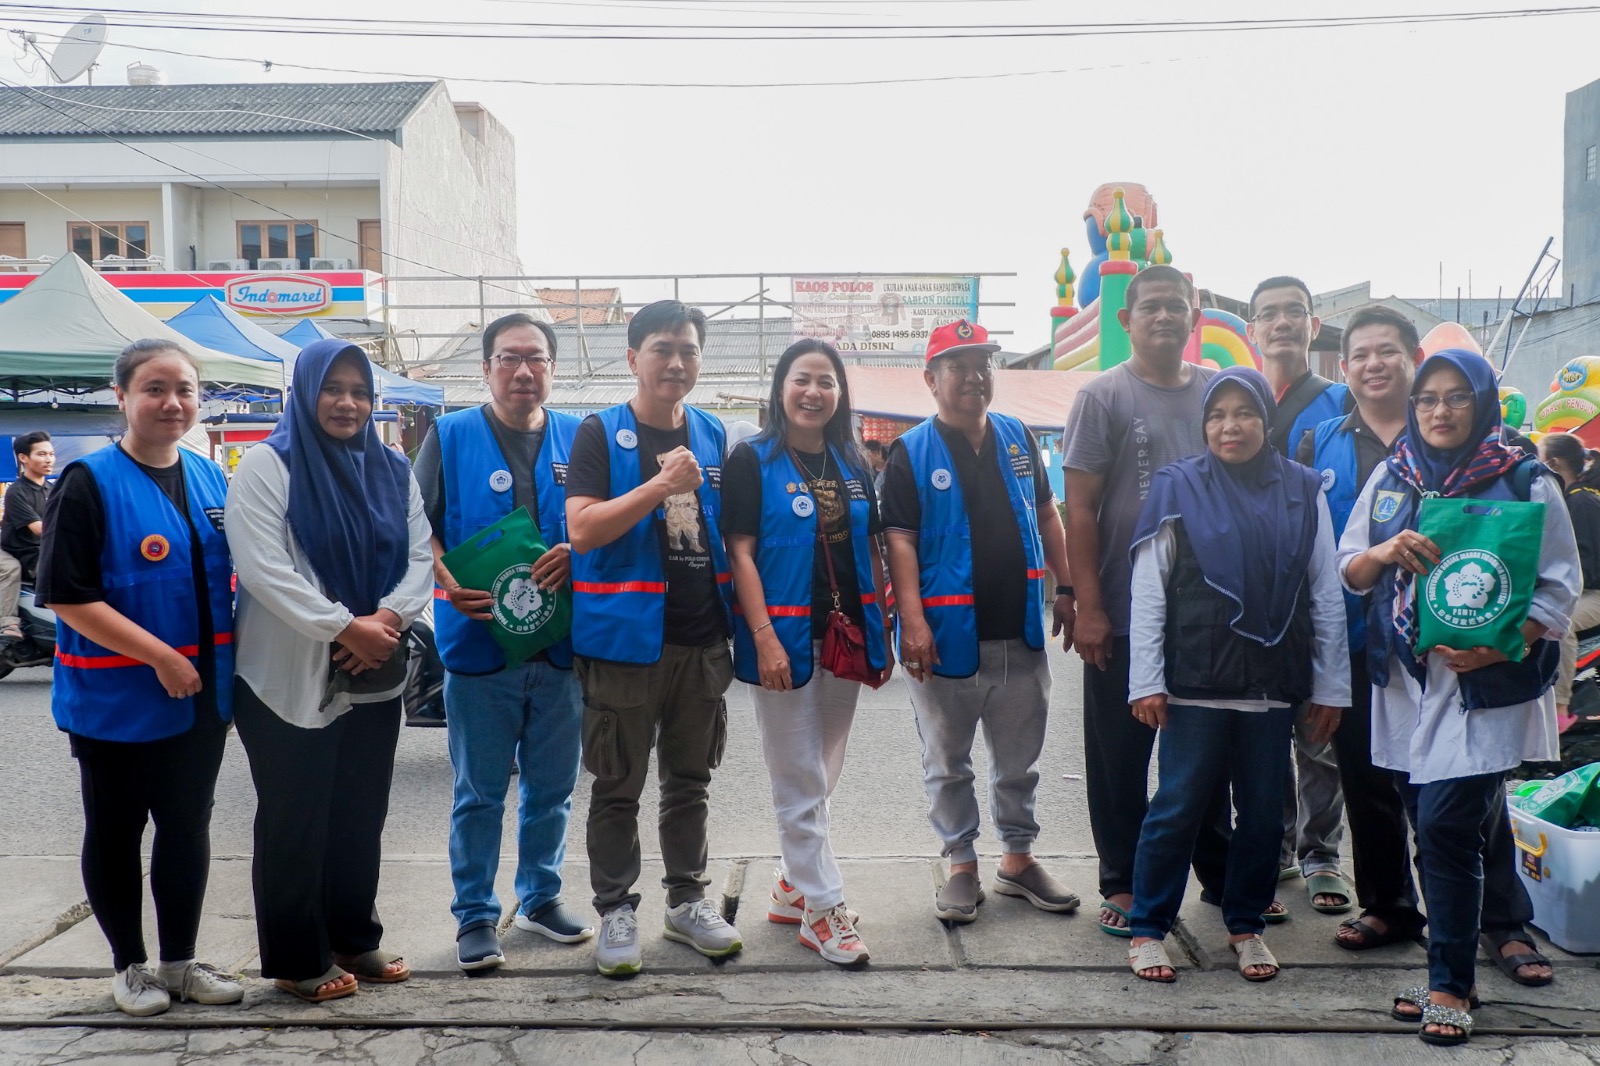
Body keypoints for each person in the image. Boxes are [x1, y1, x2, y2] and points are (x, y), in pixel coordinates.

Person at [1338, 349, 1578, 1046]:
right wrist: (1385, 554)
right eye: (1427, 400)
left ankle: (1451, 983)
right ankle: (1459, 955)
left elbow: (1560, 586)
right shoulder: (1392, 476)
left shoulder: (1527, 478)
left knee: (1444, 827)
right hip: (1409, 685)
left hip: (1486, 689)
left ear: (1483, 403)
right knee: (1436, 829)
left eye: (1455, 398)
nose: (1439, 412)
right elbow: (1349, 569)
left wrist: (1505, 643)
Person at [1063, 265, 1270, 936]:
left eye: (1175, 306)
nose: (1162, 317)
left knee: (1205, 760)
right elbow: (1082, 510)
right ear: (1125, 319)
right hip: (1124, 613)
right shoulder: (1102, 397)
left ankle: (1217, 873)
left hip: (1209, 621)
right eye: (1149, 307)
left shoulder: (1220, 392)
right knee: (1120, 757)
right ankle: (1122, 881)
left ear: (1194, 316)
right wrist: (1089, 604)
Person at [38, 339, 242, 1017]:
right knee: (118, 831)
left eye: (185, 389)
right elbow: (67, 594)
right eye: (154, 389)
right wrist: (158, 655)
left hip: (201, 700)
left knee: (187, 830)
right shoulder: (87, 482)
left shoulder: (212, 478)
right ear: (121, 397)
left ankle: (180, 962)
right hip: (116, 699)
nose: (172, 403)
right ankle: (129, 966)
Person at [1124, 367, 1348, 984]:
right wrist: (1146, 679)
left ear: (1265, 420)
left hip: (1272, 684)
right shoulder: (1177, 486)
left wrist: (1330, 688)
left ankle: (1245, 924)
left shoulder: (1303, 489)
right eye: (1217, 415)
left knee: (1262, 814)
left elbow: (1324, 590)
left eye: (1244, 413)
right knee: (1177, 806)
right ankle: (1148, 927)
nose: (1230, 426)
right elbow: (1149, 590)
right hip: (1194, 681)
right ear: (1203, 424)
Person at [226, 340, 433, 1002]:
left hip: (372, 670)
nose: (348, 403)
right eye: (333, 388)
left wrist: (388, 622)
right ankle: (296, 956)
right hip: (286, 676)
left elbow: (422, 555)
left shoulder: (391, 466)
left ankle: (353, 934)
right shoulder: (267, 464)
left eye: (360, 391)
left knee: (358, 814)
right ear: (305, 392)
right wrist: (346, 626)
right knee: (296, 817)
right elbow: (264, 569)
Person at [565, 300, 742, 976]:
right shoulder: (600, 434)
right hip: (623, 645)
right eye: (663, 348)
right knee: (617, 787)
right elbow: (583, 530)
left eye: (689, 350)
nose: (676, 362)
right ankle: (615, 908)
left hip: (701, 643)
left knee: (690, 783)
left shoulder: (714, 433)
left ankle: (687, 901)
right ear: (633, 356)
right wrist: (661, 483)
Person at [882, 319, 1079, 923]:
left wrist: (1064, 587)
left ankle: (1018, 860)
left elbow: (1048, 515)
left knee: (1020, 759)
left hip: (1018, 630)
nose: (973, 377)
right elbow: (900, 540)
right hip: (942, 639)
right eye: (958, 366)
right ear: (931, 379)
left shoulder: (1018, 438)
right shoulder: (909, 451)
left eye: (983, 365)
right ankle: (961, 863)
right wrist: (911, 621)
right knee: (948, 760)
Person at [416, 313, 592, 971]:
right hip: (480, 645)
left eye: (537, 358)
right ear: (486, 367)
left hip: (560, 647)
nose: (524, 371)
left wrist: (577, 550)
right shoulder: (450, 434)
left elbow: (603, 525)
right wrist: (445, 574)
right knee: (479, 792)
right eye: (509, 358)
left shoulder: (581, 436)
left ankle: (541, 898)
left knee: (551, 788)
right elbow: (418, 524)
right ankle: (475, 916)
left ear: (553, 366)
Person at [722, 338, 891, 965]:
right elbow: (739, 551)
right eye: (802, 379)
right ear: (781, 387)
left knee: (824, 765)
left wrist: (883, 631)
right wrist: (763, 636)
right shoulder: (752, 459)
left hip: (845, 636)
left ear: (840, 394)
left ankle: (793, 885)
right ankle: (824, 908)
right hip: (783, 639)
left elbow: (868, 551)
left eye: (826, 381)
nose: (813, 391)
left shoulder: (852, 461)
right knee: (797, 773)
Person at [1298, 306, 1426, 950]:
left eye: (1388, 352)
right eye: (1361, 356)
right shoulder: (1316, 444)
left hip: (1439, 643)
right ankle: (1388, 907)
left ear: (1414, 359)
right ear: (1343, 368)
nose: (1374, 365)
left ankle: (1495, 919)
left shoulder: (1447, 431)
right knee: (1367, 780)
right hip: (1348, 639)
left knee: (1455, 783)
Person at [1248, 275, 1352, 909]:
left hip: (1321, 591)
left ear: (1314, 325)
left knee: (1319, 733)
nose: (1282, 322)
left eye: (1295, 312)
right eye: (1269, 314)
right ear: (1252, 328)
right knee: (1261, 736)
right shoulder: (1235, 397)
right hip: (1252, 598)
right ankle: (1275, 848)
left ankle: (1322, 853)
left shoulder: (1340, 405)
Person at [1536, 432, 1600, 727]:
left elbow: (1587, 567)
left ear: (1553, 463)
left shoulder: (1582, 501)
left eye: (1538, 457)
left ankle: (1560, 708)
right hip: (1583, 589)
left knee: (1560, 621)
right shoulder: (1567, 499)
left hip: (1593, 593)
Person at [0, 429, 53, 643]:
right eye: (41, 454)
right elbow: (40, 528)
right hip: (12, 552)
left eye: (51, 454)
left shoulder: (52, 490)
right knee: (10, 569)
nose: (49, 459)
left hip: (37, 551)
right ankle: (7, 623)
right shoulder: (17, 491)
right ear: (23, 458)